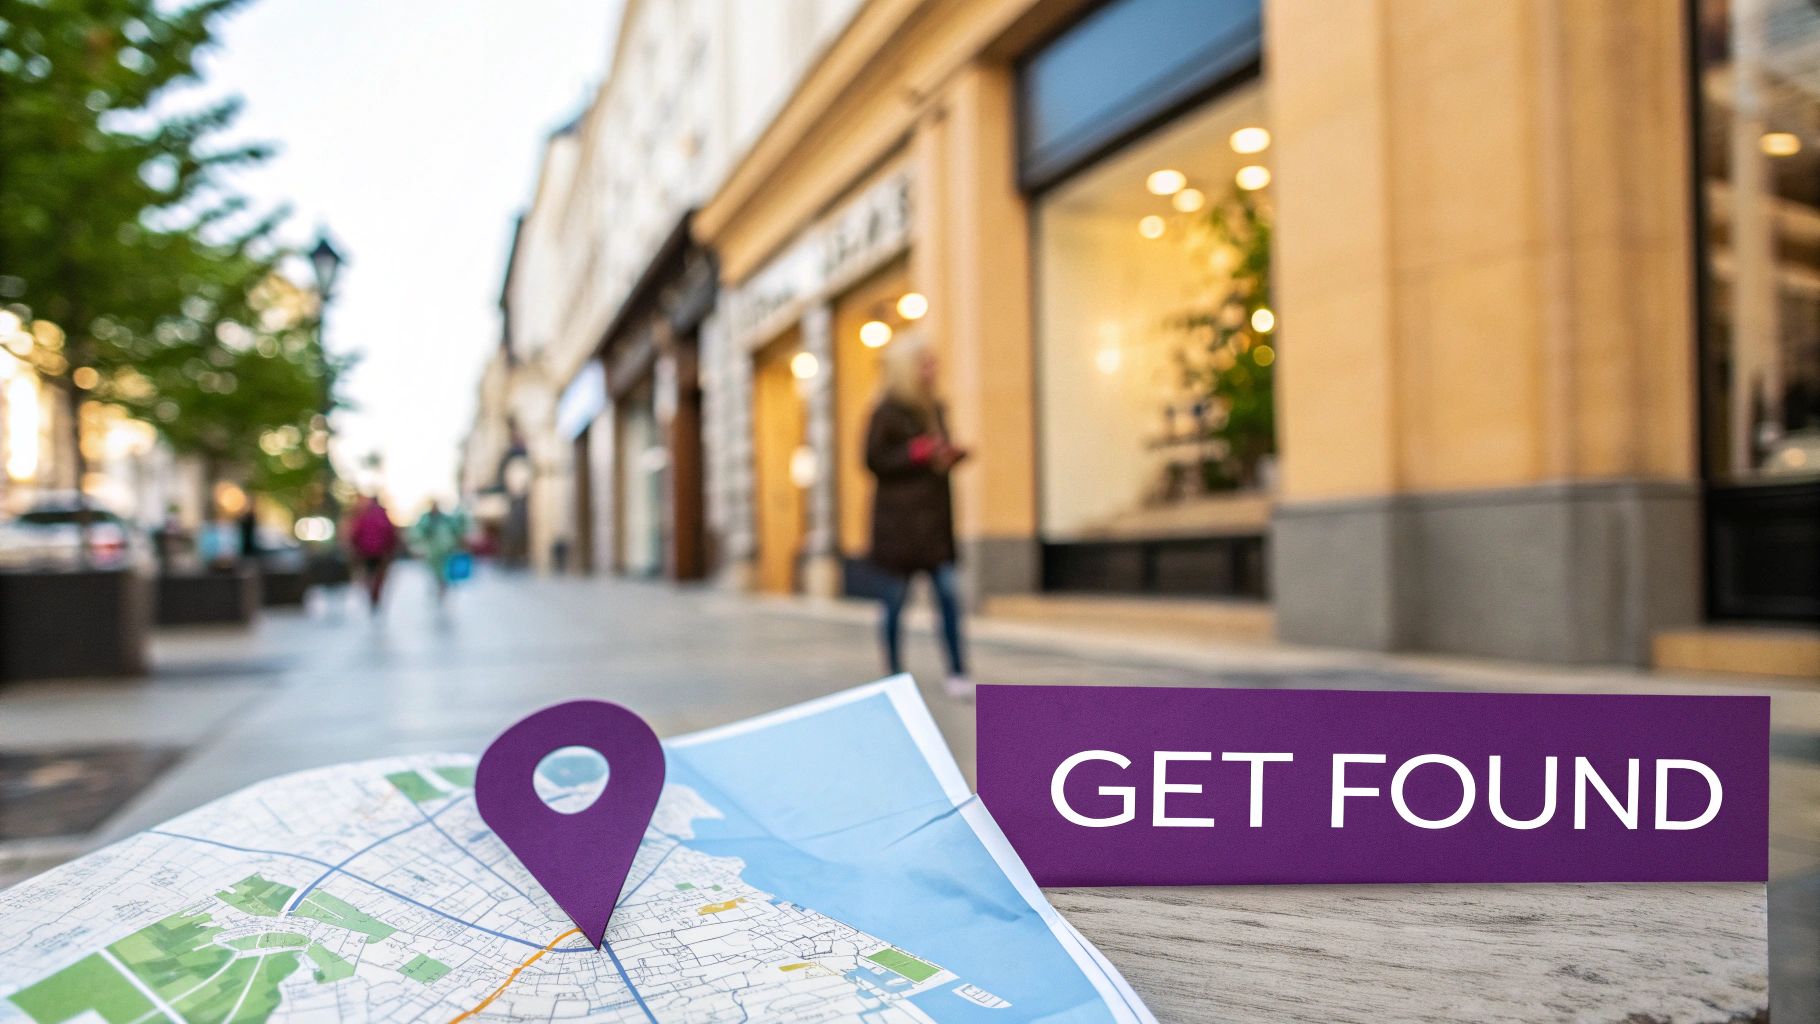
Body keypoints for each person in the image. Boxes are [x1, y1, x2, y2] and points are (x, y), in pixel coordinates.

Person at [864, 338, 973, 700]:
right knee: (895, 603)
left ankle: (957, 670)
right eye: (925, 363)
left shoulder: (935, 409)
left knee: (948, 597)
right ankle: (893, 673)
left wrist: (947, 455)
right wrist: (915, 453)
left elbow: (933, 458)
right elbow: (873, 461)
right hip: (900, 527)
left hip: (935, 524)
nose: (932, 370)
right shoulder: (886, 413)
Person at [347, 494, 399, 613]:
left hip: (365, 552)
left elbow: (355, 533)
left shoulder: (362, 515)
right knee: (378, 576)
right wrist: (391, 550)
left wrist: (354, 548)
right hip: (381, 552)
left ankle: (371, 593)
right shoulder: (383, 516)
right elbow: (391, 534)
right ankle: (375, 594)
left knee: (368, 575)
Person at [411, 500, 468, 606]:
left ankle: (443, 590)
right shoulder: (426, 519)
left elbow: (457, 529)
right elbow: (417, 533)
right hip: (432, 552)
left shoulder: (446, 519)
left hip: (446, 550)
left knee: (445, 573)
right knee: (436, 573)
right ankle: (439, 589)